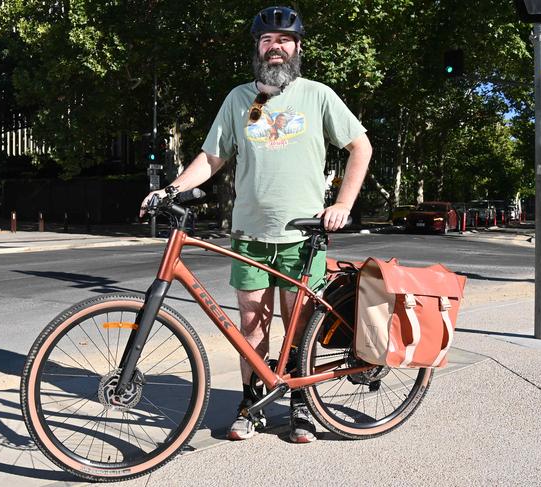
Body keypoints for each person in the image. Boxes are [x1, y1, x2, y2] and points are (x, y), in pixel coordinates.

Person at [140, 6, 372, 443]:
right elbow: (212, 158)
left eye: (284, 40)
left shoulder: (318, 95)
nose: (276, 47)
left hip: (303, 235)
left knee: (298, 326)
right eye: (268, 40)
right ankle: (252, 405)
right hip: (249, 234)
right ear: (258, 48)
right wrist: (169, 190)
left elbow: (360, 146)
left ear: (298, 47)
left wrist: (343, 203)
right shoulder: (239, 100)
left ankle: (302, 407)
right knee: (251, 327)